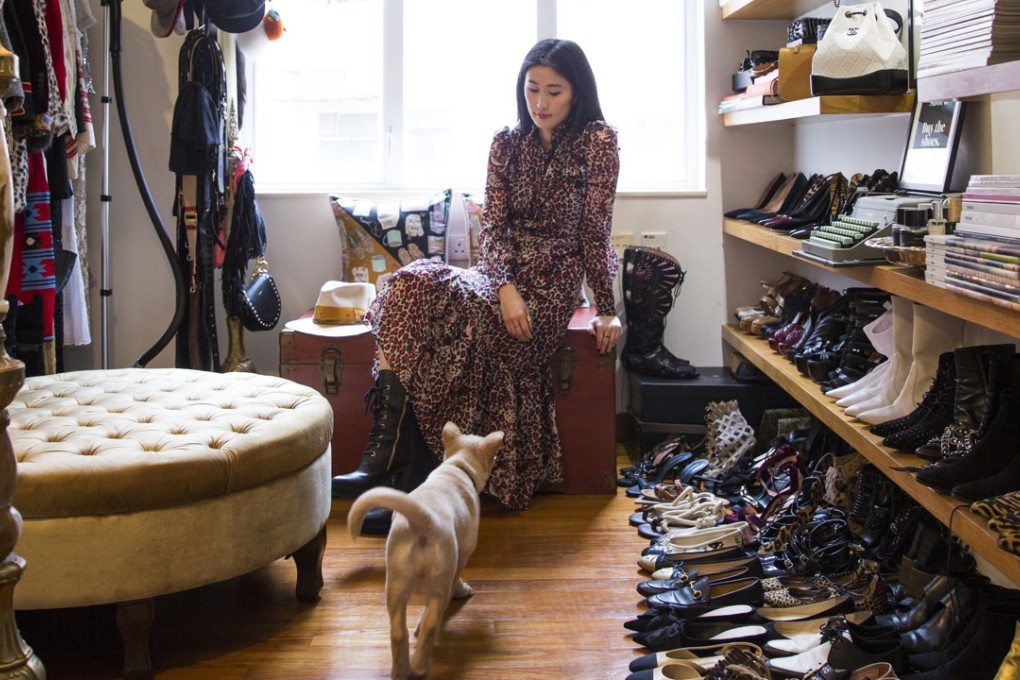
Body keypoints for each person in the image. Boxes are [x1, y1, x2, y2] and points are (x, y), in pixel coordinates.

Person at [331, 38, 621, 511]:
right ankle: (384, 457)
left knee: (451, 329)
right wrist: (504, 287)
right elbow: (495, 232)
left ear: (577, 93)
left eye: (554, 91)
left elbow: (594, 232)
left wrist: (606, 309)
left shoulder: (598, 143)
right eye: (532, 89)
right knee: (410, 285)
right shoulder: (506, 143)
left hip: (551, 281)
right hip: (500, 276)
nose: (540, 103)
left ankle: (411, 483)